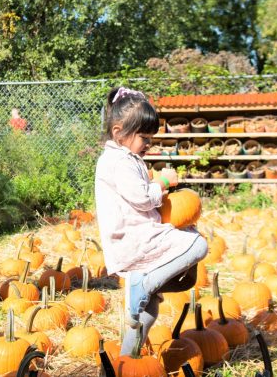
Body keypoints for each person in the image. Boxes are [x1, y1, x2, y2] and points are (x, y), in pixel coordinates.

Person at [94, 86, 208, 354]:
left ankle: (127, 358)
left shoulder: (125, 157)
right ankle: (144, 284)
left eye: (150, 138)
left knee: (148, 312)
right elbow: (142, 198)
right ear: (118, 132)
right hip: (135, 238)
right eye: (144, 137)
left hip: (137, 235)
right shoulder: (119, 161)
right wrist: (163, 183)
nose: (149, 144)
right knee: (197, 244)